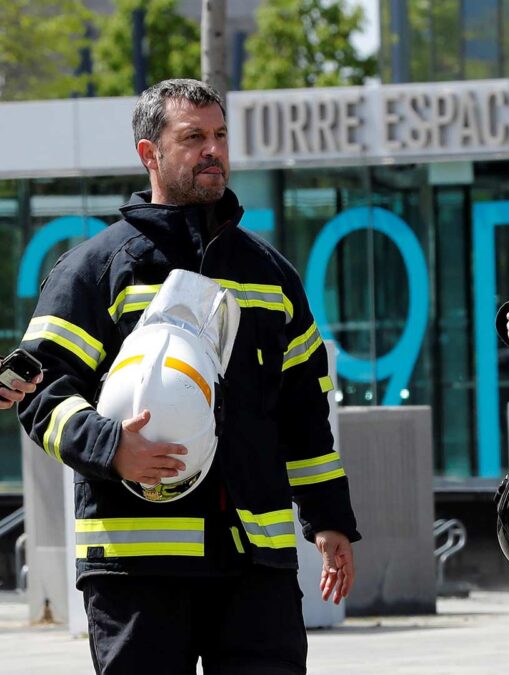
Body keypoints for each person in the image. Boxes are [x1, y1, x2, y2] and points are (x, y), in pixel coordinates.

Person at [17, 79, 360, 675]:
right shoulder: (96, 270)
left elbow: (304, 409)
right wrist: (110, 447)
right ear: (149, 153)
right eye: (193, 137)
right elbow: (41, 393)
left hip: (256, 567)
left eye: (220, 136)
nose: (213, 151)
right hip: (139, 567)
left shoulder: (270, 275)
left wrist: (328, 518)